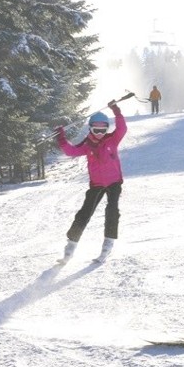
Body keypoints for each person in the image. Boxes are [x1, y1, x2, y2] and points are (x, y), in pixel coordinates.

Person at [55, 100, 128, 264]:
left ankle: (107, 244)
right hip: (96, 184)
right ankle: (70, 248)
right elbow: (71, 151)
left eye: (104, 130)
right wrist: (61, 138)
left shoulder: (112, 140)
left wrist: (116, 112)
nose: (100, 133)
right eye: (96, 130)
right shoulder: (87, 145)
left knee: (112, 210)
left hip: (114, 182)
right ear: (91, 128)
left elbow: (122, 128)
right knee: (84, 213)